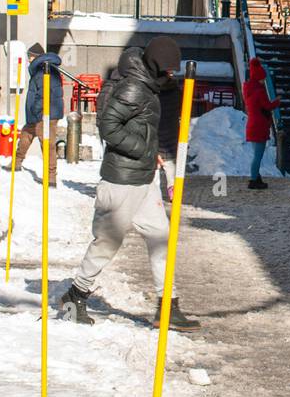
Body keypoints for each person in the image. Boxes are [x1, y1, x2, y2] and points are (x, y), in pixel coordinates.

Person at [61, 37, 199, 330]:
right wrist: (143, 149)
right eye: (169, 70)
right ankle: (74, 297)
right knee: (107, 243)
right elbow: (109, 127)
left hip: (144, 177)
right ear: (157, 66)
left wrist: (153, 155)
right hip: (123, 180)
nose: (172, 75)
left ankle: (168, 306)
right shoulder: (135, 88)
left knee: (161, 236)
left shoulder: (148, 85)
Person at [15, 44, 63, 188]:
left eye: (29, 56)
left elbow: (43, 95)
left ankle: (51, 177)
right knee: (27, 134)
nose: (28, 60)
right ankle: (16, 163)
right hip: (43, 113)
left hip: (44, 114)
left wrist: (34, 109)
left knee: (47, 144)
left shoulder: (44, 71)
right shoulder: (46, 68)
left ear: (33, 56)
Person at [243, 57, 280, 191]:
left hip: (252, 125)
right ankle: (253, 180)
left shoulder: (248, 89)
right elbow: (267, 106)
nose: (264, 81)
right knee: (258, 156)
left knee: (255, 154)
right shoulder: (259, 91)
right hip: (259, 127)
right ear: (259, 77)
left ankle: (256, 177)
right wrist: (277, 101)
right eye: (263, 78)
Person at [158, 69, 182, 199]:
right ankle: (173, 190)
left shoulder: (152, 90)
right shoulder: (176, 90)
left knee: (153, 164)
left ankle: (153, 193)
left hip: (155, 128)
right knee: (170, 162)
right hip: (171, 128)